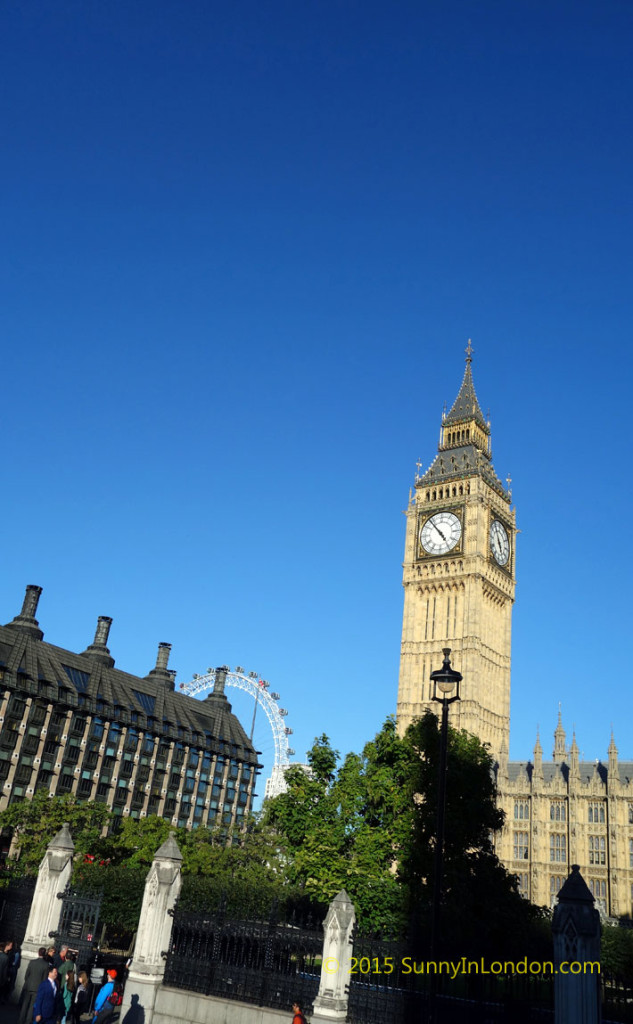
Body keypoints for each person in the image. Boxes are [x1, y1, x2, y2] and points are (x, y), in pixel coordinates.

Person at [17, 947, 49, 1024]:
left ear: (38, 953)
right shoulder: (46, 965)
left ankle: (20, 1020)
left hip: (29, 986)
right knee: (31, 1006)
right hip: (37, 988)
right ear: (45, 954)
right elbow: (44, 979)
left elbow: (27, 974)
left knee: (25, 1004)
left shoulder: (32, 962)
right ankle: (28, 1021)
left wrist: (28, 982)